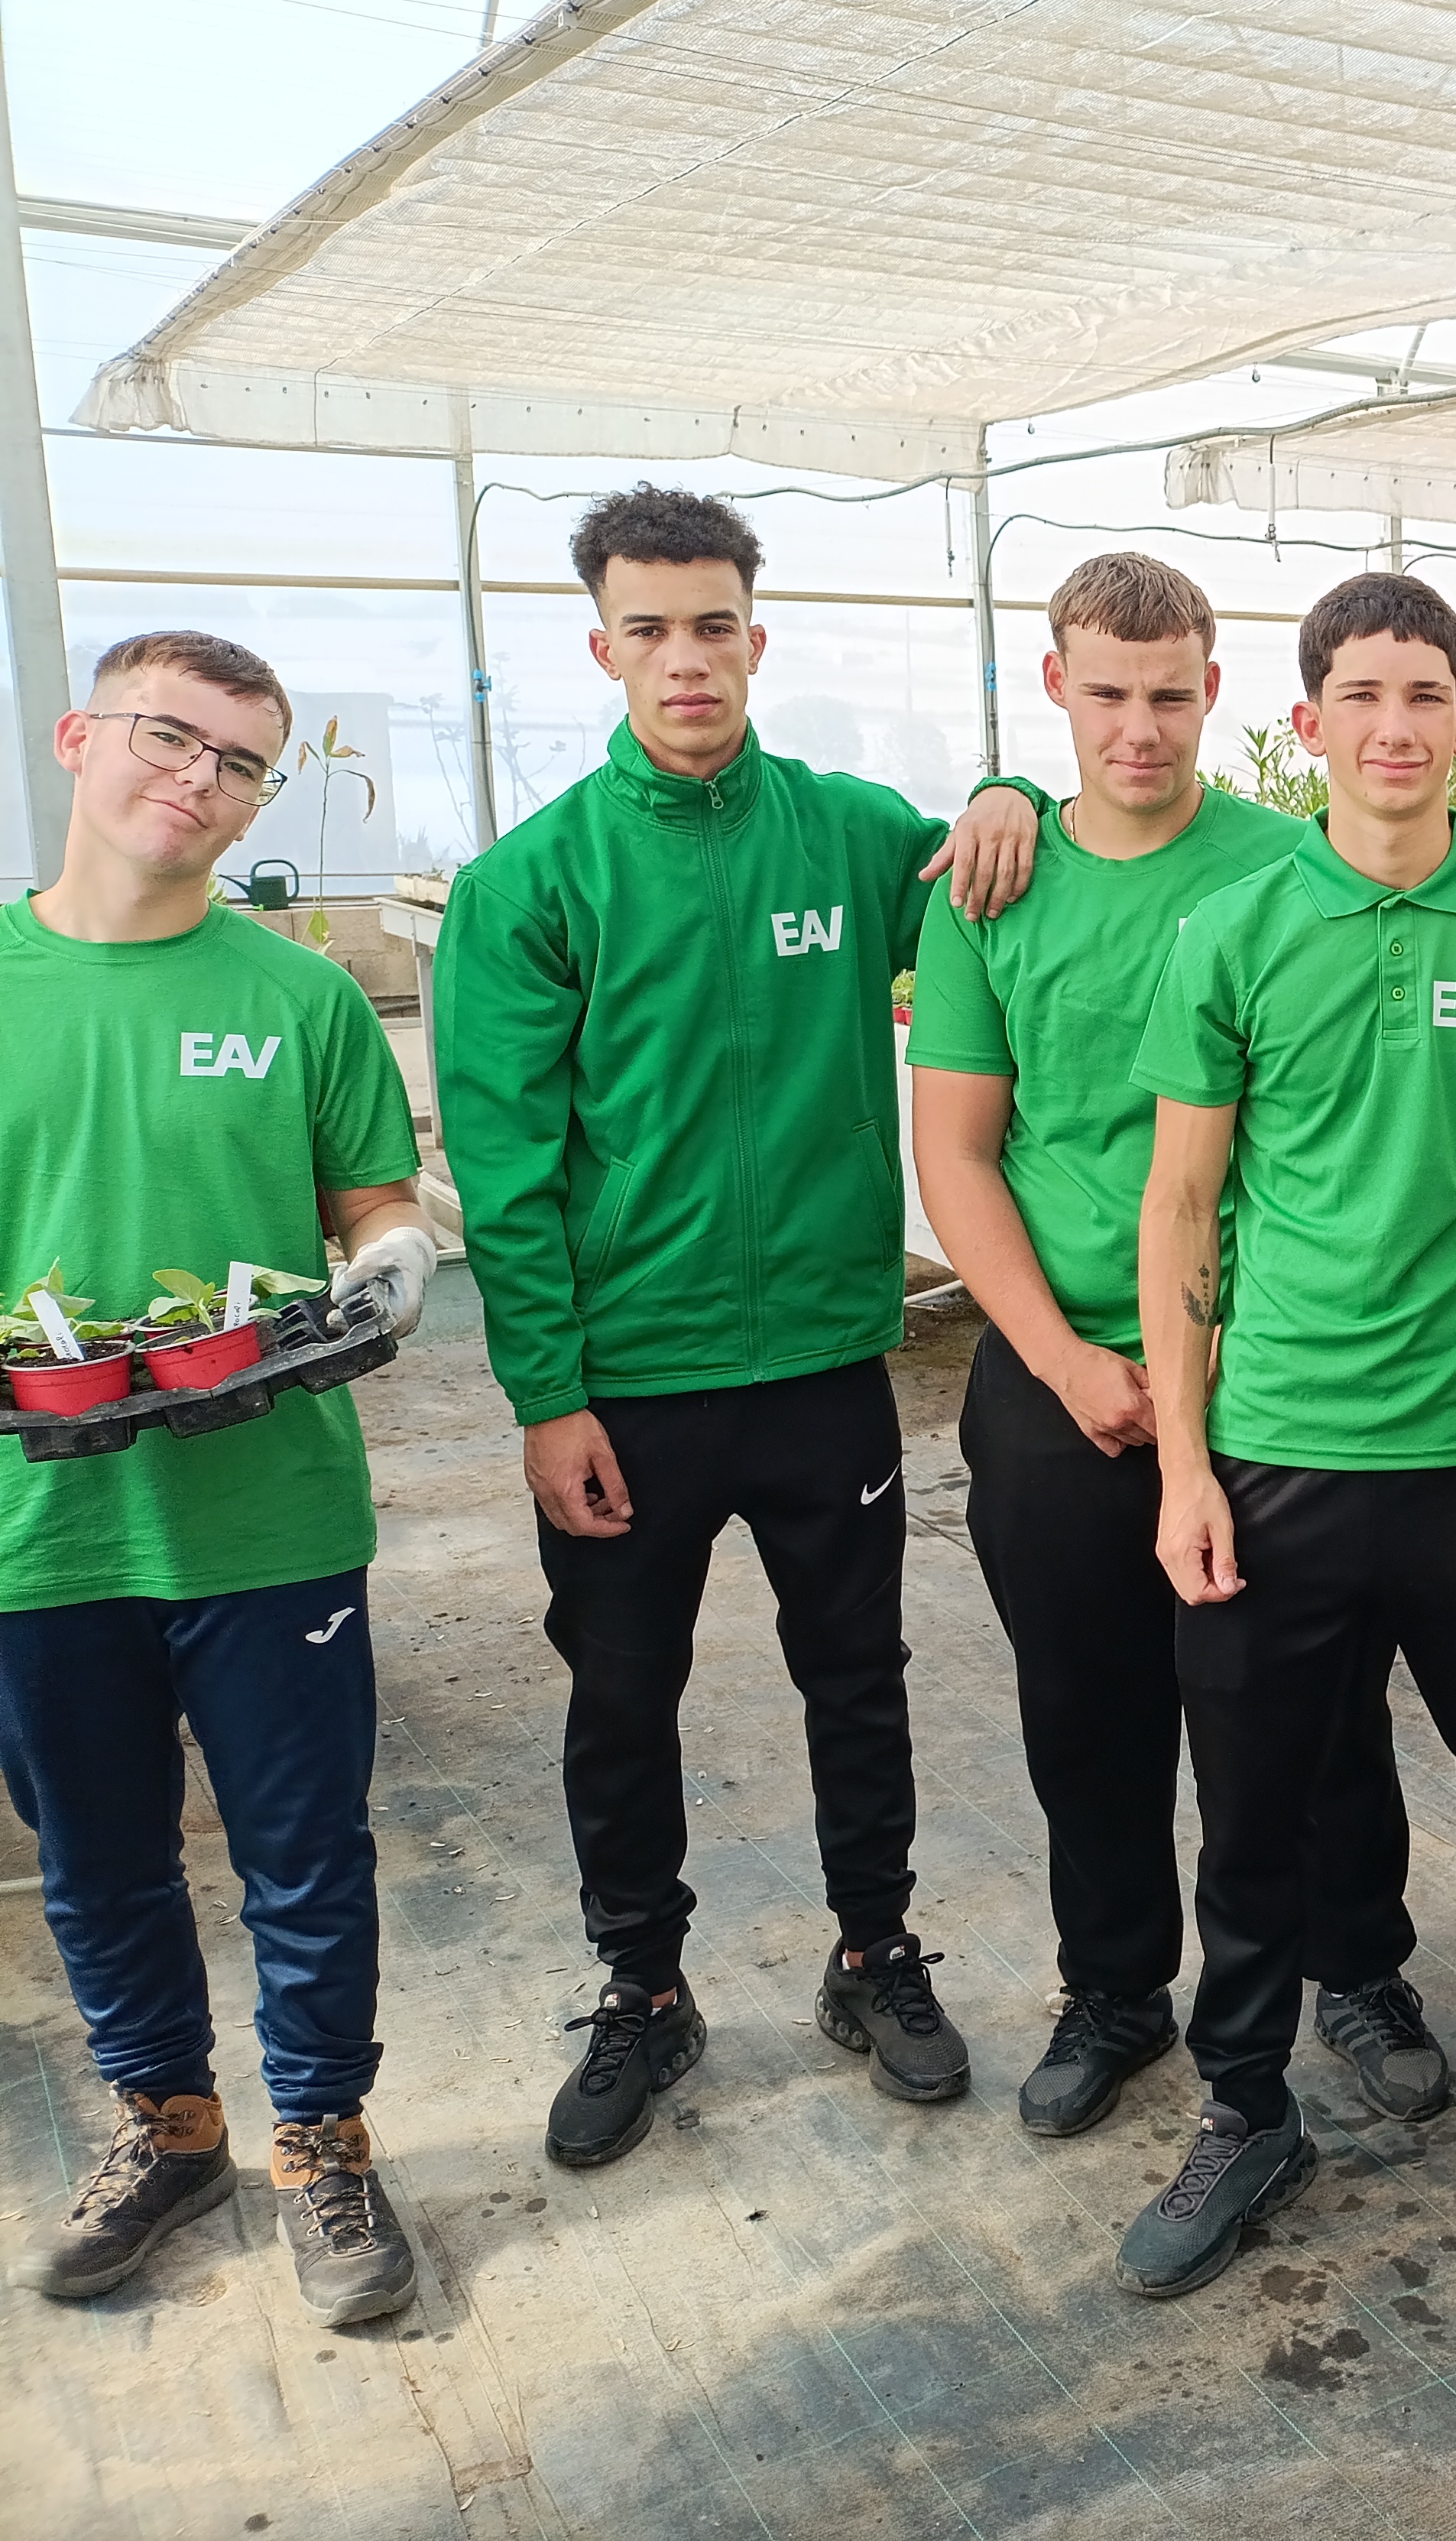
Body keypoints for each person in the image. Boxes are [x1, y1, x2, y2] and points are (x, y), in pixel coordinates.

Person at [435, 485, 1043, 2169]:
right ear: (603, 646)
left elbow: (1006, 890)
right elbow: (506, 1163)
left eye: (713, 624)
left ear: (754, 638)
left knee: (858, 1678)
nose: (686, 657)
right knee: (622, 1692)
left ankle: (874, 1951)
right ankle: (643, 1985)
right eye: (650, 628)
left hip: (827, 1376)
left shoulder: (846, 836)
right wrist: (547, 1397)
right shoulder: (532, 881)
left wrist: (1008, 789)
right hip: (630, 1387)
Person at [1122, 568, 1456, 2299]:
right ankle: (1241, 2103)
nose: (1397, 725)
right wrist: (1190, 1467)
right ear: (1308, 722)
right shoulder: (1231, 930)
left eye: (1427, 692)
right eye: (1362, 693)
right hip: (1276, 1456)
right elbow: (1180, 1209)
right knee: (1257, 1808)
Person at [910, 550, 1377, 2137]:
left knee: (1307, 1705)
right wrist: (1059, 1359)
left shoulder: (1289, 868)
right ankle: (1115, 1987)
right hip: (1060, 1368)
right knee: (1087, 1705)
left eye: (1168, 694)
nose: (1138, 727)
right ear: (1054, 687)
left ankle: (1357, 1963)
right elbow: (960, 1153)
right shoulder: (996, 882)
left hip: (1267, 1372)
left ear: (1214, 690)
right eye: (1105, 693)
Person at [1, 631, 437, 2325]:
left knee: (305, 1848)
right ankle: (167, 2123)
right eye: (167, 738)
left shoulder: (297, 994)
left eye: (238, 761)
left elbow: (369, 1206)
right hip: (41, 1526)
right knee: (95, 1851)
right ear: (77, 736)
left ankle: (321, 2139)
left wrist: (394, 1259)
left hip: (268, 1509)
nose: (195, 780)